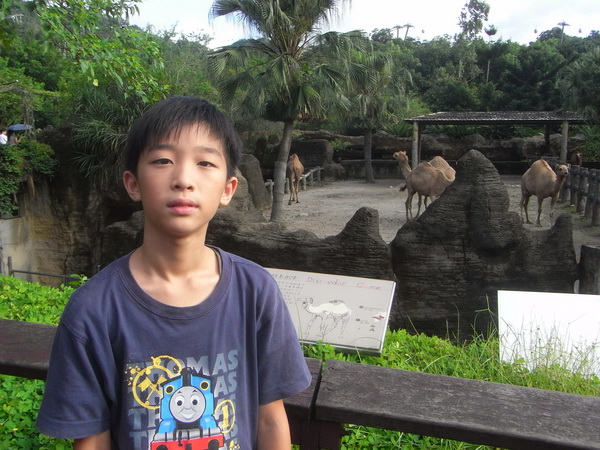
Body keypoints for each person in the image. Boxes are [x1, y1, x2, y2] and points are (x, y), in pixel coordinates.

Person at [36, 96, 311, 449]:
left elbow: (270, 418)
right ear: (132, 183)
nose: (183, 179)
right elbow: (92, 441)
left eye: (205, 163)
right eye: (163, 160)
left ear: (228, 189)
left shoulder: (255, 291)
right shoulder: (93, 310)